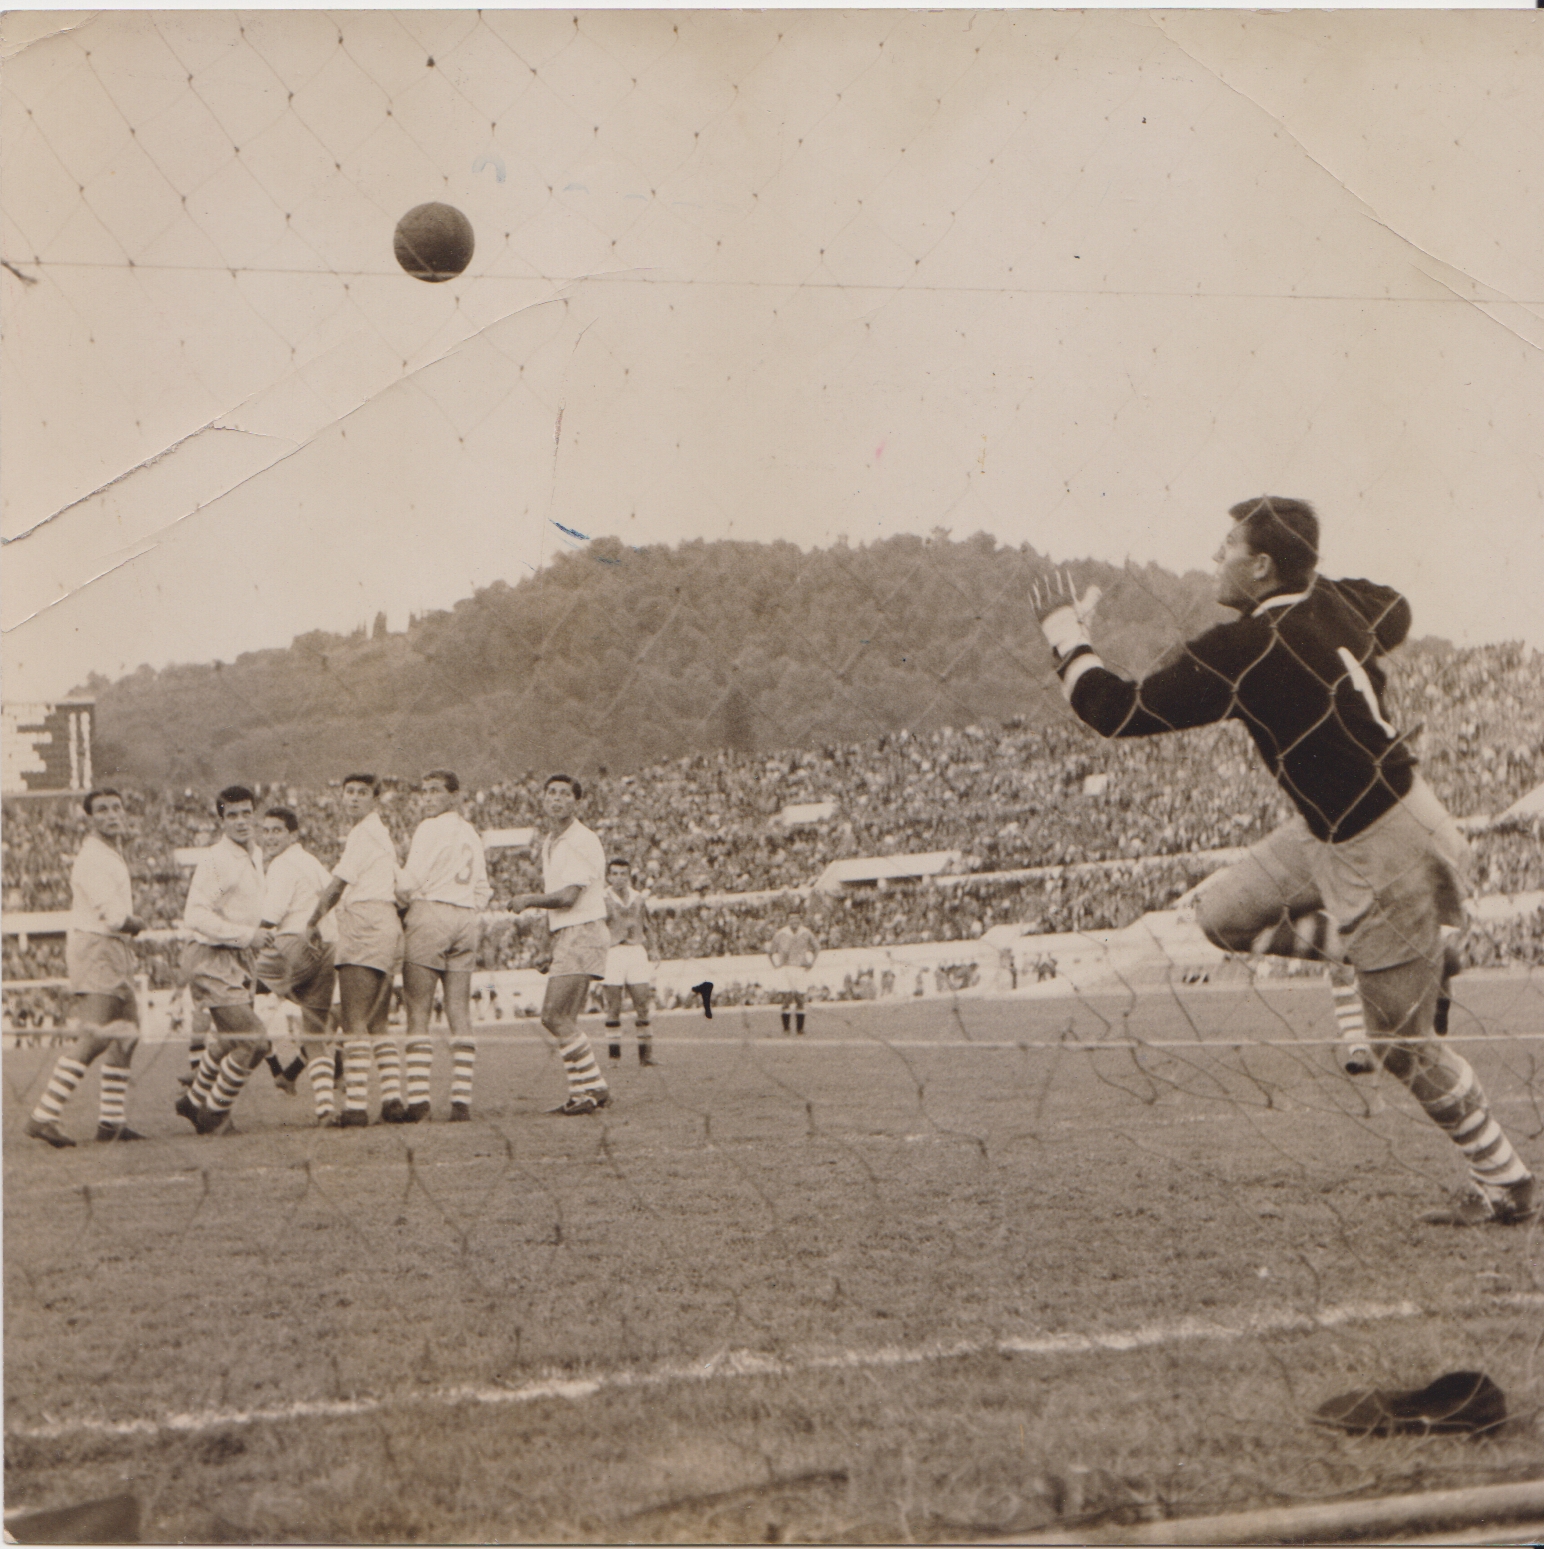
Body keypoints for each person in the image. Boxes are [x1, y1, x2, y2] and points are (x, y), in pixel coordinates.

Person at [1032, 495, 1535, 1226]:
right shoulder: (1331, 603)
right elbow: (1395, 607)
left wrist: (1065, 633)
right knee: (1222, 916)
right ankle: (1398, 954)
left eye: (1228, 546)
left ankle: (1505, 1180)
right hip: (1346, 823)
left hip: (1383, 843)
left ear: (1263, 566)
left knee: (1403, 1050)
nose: (1216, 557)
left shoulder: (1246, 650)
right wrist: (1321, 592)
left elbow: (1116, 710)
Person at [27, 788, 148, 1147]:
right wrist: (136, 923)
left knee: (127, 1032)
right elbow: (113, 917)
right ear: (90, 818)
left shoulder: (108, 852)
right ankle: (43, 1116)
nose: (112, 814)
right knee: (96, 1036)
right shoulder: (92, 857)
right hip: (98, 948)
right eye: (103, 810)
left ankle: (111, 1122)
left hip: (111, 949)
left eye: (116, 808)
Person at [508, 775, 611, 1115]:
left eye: (565, 794)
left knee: (552, 1015)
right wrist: (548, 945)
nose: (557, 799)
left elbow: (568, 897)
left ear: (577, 802)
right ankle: (582, 1092)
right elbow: (560, 905)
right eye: (551, 792)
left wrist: (528, 899)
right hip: (570, 933)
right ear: (543, 799)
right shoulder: (551, 841)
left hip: (583, 931)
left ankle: (594, 1087)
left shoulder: (582, 839)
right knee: (564, 1018)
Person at [176, 786, 276, 1134]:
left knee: (238, 1039)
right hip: (211, 957)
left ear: (255, 815)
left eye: (246, 813)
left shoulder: (254, 853)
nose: (241, 821)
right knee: (255, 1041)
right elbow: (196, 915)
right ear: (221, 821)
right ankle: (213, 1113)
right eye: (232, 815)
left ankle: (193, 1101)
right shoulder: (217, 861)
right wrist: (247, 935)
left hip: (239, 957)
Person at [307, 774, 402, 1127]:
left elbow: (336, 887)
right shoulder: (381, 833)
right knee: (378, 1021)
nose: (354, 798)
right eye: (349, 792)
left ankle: (357, 1106)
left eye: (362, 793)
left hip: (364, 921)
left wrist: (311, 922)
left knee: (354, 1018)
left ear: (374, 799)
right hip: (387, 922)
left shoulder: (363, 833)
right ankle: (392, 1099)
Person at [396, 770, 490, 1122]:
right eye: (424, 791)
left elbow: (409, 882)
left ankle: (419, 1101)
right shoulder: (471, 833)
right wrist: (464, 908)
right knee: (459, 1010)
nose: (427, 798)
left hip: (430, 913)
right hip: (465, 919)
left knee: (418, 1010)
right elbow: (483, 889)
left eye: (435, 791)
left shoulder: (428, 827)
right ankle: (461, 1100)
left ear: (454, 795)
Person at [254, 806, 341, 1126]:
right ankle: (325, 1108)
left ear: (293, 835)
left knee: (234, 989)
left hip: (293, 945)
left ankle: (204, 1083)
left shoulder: (282, 864)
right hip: (327, 947)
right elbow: (333, 895)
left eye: (276, 831)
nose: (269, 837)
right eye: (265, 831)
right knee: (314, 1033)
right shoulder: (312, 862)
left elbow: (270, 918)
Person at [600, 857, 658, 1066]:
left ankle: (646, 1056)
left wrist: (654, 949)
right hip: (613, 953)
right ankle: (614, 1058)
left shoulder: (638, 898)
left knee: (642, 1003)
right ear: (609, 876)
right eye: (615, 874)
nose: (619, 878)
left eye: (623, 874)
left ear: (628, 876)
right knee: (613, 1006)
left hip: (636, 951)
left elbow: (648, 926)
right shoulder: (602, 898)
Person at [768, 906, 820, 1034]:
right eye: (791, 919)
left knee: (800, 998)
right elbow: (770, 951)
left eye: (796, 918)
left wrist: (811, 963)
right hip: (786, 969)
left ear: (800, 919)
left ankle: (800, 1029)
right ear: (788, 920)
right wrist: (776, 965)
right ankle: (786, 1028)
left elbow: (817, 948)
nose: (794, 921)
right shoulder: (781, 933)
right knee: (786, 998)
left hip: (800, 969)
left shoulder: (806, 932)